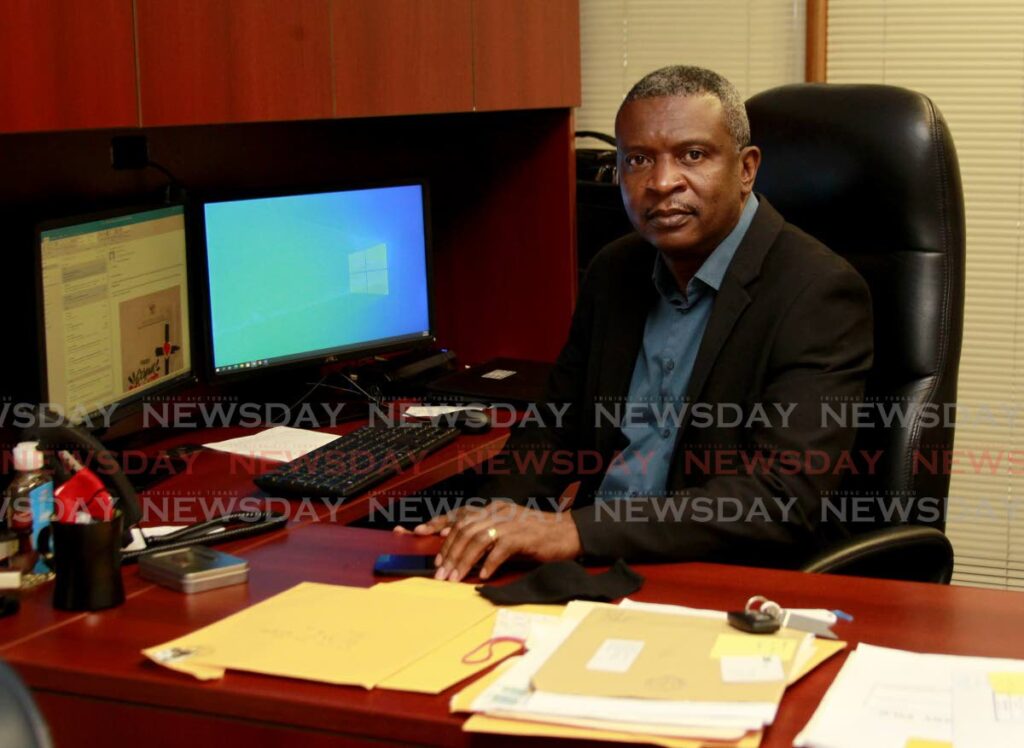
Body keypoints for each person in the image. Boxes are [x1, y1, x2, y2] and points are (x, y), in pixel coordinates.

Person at [399, 65, 873, 582]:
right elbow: (554, 429)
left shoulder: (817, 292)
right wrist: (487, 525)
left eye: (693, 155)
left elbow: (781, 496)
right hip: (604, 565)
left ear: (746, 169)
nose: (662, 182)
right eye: (639, 160)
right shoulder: (615, 270)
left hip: (725, 577)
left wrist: (574, 531)